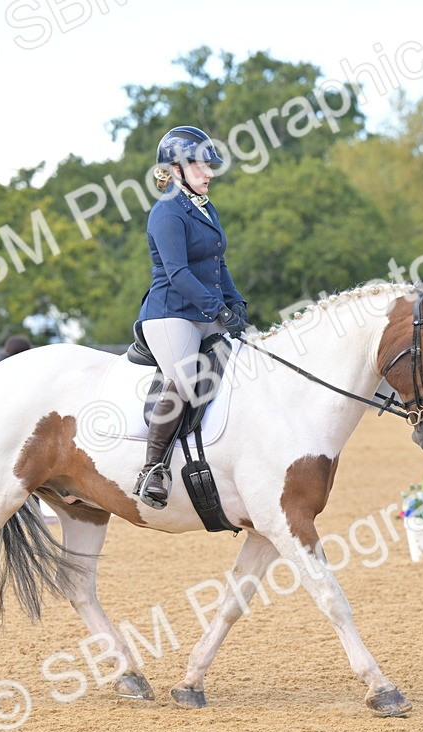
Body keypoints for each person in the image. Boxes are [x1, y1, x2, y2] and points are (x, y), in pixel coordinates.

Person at [134, 125, 249, 509]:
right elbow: (179, 273)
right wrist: (218, 309)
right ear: (176, 169)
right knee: (184, 378)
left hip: (203, 308)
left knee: (248, 358)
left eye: (209, 166)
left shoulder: (204, 207)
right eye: (201, 166)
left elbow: (219, 264)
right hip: (171, 313)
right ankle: (153, 468)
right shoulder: (166, 212)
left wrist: (236, 302)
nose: (210, 173)